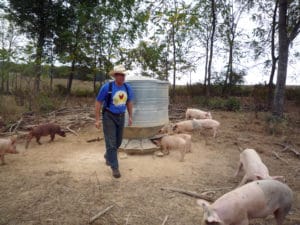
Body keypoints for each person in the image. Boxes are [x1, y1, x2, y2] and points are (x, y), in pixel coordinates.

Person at [95, 65, 133, 178]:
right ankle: (114, 167)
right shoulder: (107, 87)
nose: (122, 77)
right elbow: (98, 103)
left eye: (123, 75)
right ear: (115, 76)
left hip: (121, 117)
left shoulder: (127, 88)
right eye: (119, 75)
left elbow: (129, 102)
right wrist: (97, 120)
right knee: (111, 143)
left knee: (118, 142)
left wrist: (130, 116)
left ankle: (108, 155)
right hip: (109, 116)